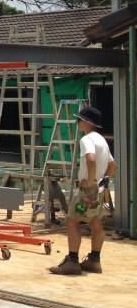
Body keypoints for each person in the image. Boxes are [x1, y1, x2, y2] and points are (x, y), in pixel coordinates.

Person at [49, 105, 116, 276]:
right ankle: (94, 260)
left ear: (87, 122)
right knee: (94, 221)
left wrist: (91, 181)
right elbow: (113, 165)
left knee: (72, 221)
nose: (77, 123)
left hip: (88, 191)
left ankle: (72, 262)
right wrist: (104, 180)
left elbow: (91, 159)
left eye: (79, 120)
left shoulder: (86, 140)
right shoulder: (101, 140)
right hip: (99, 191)